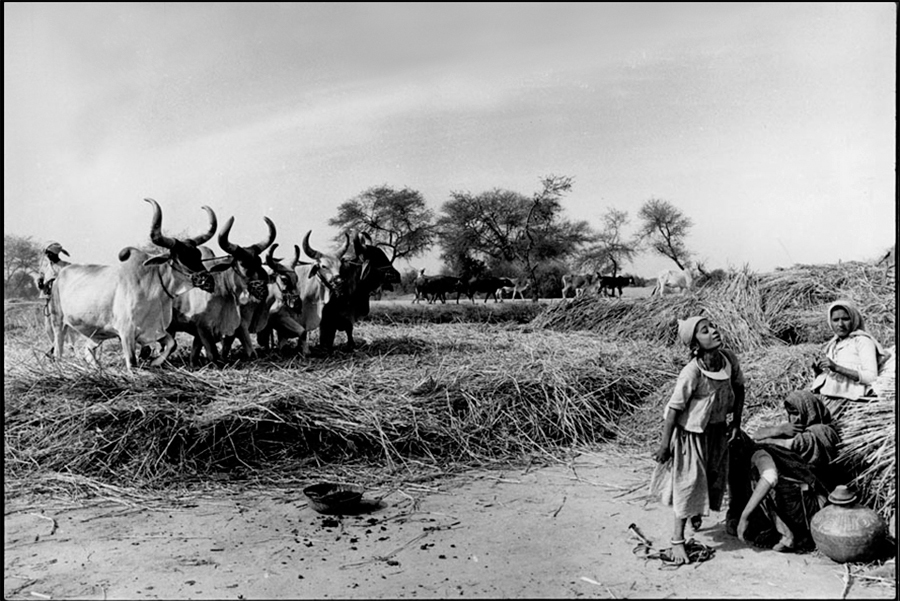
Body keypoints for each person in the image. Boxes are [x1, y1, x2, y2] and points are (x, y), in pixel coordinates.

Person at [651, 316, 745, 565]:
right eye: (705, 331)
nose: (714, 331)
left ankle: (694, 513)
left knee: (713, 476)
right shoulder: (691, 372)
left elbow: (740, 388)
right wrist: (664, 446)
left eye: (712, 326)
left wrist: (735, 422)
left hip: (716, 432)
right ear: (695, 344)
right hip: (690, 435)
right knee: (689, 481)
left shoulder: (729, 360)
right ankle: (677, 540)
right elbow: (673, 410)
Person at [809, 299, 888, 420]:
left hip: (846, 400)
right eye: (835, 320)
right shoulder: (832, 344)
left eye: (845, 319)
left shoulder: (862, 341)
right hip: (826, 396)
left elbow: (871, 377)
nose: (840, 324)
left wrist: (837, 368)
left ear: (854, 319)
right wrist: (818, 370)